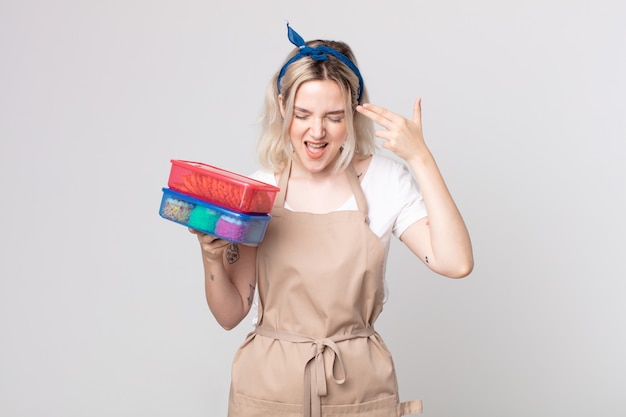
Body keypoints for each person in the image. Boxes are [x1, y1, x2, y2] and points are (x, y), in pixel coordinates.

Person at [190, 23, 474, 417]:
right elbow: (230, 313)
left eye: (334, 117)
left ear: (354, 115)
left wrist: (420, 158)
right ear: (282, 107)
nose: (317, 132)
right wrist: (210, 255)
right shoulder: (259, 191)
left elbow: (456, 262)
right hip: (268, 392)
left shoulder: (384, 182)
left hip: (358, 390)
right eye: (302, 114)